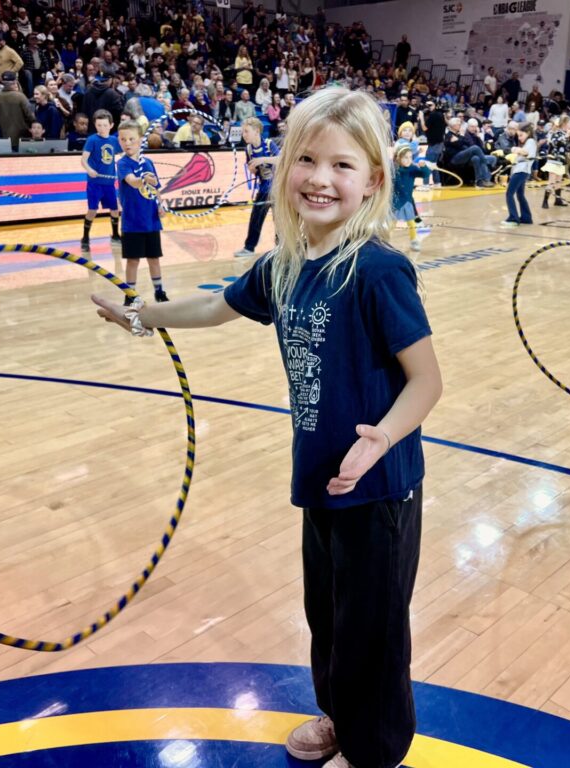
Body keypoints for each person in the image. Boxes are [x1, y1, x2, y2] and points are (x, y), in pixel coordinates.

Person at [91, 88, 442, 768]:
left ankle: (374, 752)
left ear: (374, 180)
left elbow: (426, 381)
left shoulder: (378, 271)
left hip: (379, 488)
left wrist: (382, 438)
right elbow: (215, 308)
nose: (319, 178)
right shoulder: (283, 265)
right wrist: (142, 316)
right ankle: (342, 718)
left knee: (372, 630)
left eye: (342, 165)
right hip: (321, 475)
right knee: (328, 615)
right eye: (306, 159)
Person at [116, 119, 167, 304]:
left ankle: (159, 292)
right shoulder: (123, 164)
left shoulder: (149, 162)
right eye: (123, 139)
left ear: (140, 139)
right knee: (133, 261)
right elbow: (132, 181)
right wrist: (143, 179)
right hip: (132, 222)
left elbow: (155, 188)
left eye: (131, 139)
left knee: (154, 259)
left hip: (151, 220)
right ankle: (130, 296)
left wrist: (160, 204)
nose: (127, 143)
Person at [234, 117, 279, 258]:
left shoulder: (269, 144)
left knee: (279, 220)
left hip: (277, 187)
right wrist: (252, 169)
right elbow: (253, 169)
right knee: (256, 218)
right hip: (264, 187)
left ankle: (281, 247)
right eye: (243, 132)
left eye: (246, 131)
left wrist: (263, 159)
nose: (243, 135)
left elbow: (281, 160)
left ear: (257, 131)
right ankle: (249, 248)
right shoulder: (248, 149)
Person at [80, 109, 121, 249]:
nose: (102, 128)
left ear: (111, 125)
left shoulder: (114, 140)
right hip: (95, 183)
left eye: (105, 125)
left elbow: (122, 156)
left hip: (109, 183)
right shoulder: (92, 140)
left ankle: (115, 235)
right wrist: (89, 170)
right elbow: (83, 160)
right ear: (95, 125)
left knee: (114, 210)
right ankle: (85, 237)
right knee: (92, 210)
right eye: (99, 125)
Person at [392, 144, 431, 252]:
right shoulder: (393, 169)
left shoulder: (412, 169)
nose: (409, 160)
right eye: (405, 157)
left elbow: (425, 174)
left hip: (407, 201)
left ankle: (414, 240)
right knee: (391, 223)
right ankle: (385, 241)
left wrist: (424, 166)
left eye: (410, 157)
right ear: (398, 158)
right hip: (394, 201)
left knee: (411, 222)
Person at [0, 70, 35, 151]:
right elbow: (31, 116)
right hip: (22, 137)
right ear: (15, 82)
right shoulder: (20, 97)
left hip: (4, 138)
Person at [502, 122, 535, 227]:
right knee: (520, 194)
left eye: (521, 135)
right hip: (521, 171)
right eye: (518, 136)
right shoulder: (528, 142)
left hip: (521, 171)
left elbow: (525, 152)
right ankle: (526, 217)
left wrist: (513, 149)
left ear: (528, 133)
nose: (519, 138)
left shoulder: (530, 141)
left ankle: (513, 218)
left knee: (509, 194)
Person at [541, 116, 570, 208]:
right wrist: (566, 137)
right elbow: (554, 143)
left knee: (559, 181)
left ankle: (558, 200)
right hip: (554, 160)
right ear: (564, 123)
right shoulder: (556, 133)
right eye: (568, 123)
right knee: (552, 181)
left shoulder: (565, 134)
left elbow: (568, 148)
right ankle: (545, 201)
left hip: (561, 160)